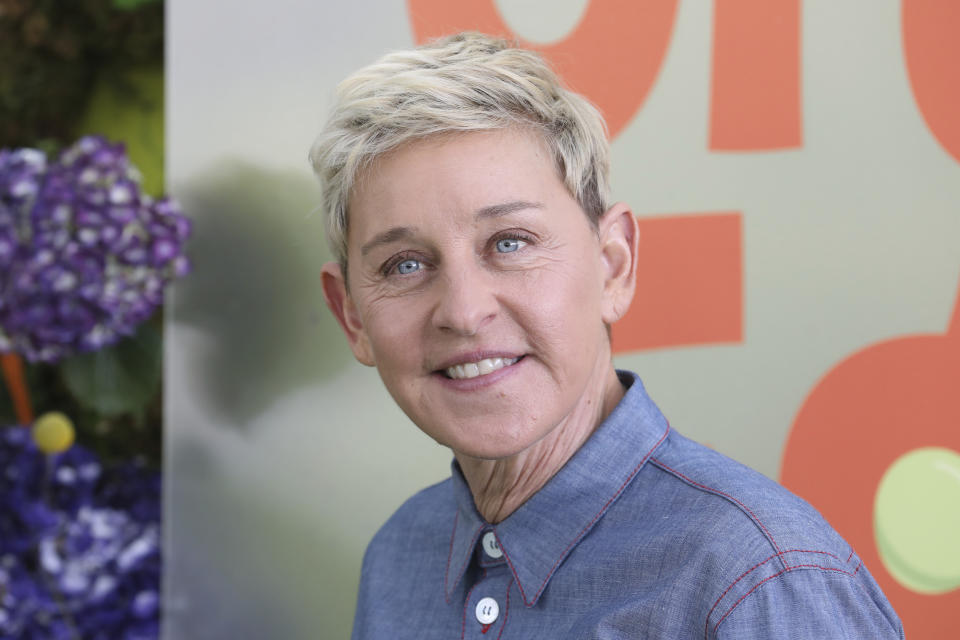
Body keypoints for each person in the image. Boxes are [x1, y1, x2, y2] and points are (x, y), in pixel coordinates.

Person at [310, 32, 903, 640]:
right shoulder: (398, 559)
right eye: (405, 264)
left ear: (613, 265)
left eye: (510, 242)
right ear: (352, 315)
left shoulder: (756, 578)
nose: (462, 312)